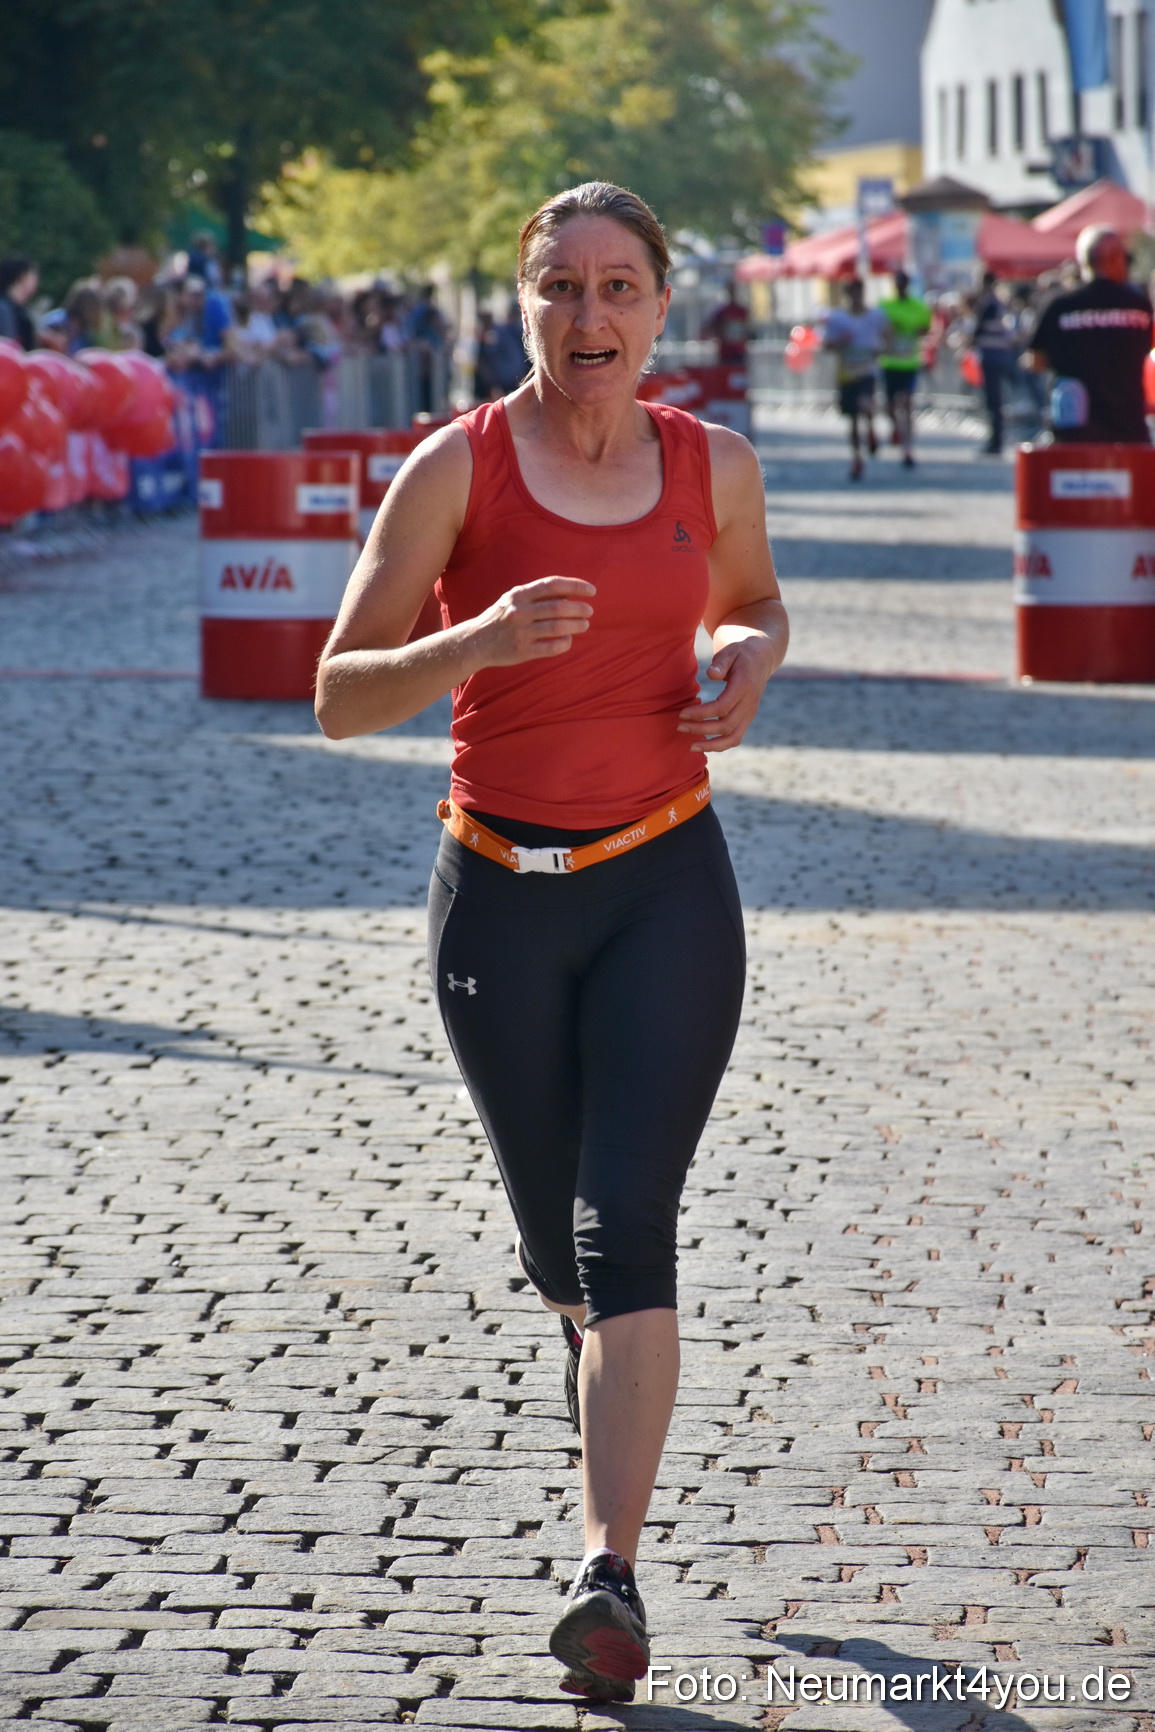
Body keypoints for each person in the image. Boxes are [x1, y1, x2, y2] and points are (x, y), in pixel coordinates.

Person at [314, 180, 787, 1704]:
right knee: (553, 1250)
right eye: (558, 287)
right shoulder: (451, 471)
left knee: (620, 1221)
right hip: (497, 897)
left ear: (662, 305)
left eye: (617, 289)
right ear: (521, 301)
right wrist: (473, 638)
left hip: (665, 880)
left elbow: (755, 604)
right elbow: (338, 693)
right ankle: (597, 1378)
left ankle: (606, 1574)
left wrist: (743, 659)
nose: (587, 317)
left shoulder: (709, 464)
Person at [1028, 224, 1153, 443]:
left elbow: (1036, 361)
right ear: (1116, 258)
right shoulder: (1138, 305)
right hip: (1128, 429)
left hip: (1074, 432)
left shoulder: (1059, 305)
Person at [823, 277, 888, 479]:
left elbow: (889, 335)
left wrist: (883, 349)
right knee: (852, 419)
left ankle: (870, 431)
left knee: (865, 403)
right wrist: (840, 342)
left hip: (867, 370)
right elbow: (827, 345)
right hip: (847, 374)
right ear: (848, 295)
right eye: (853, 293)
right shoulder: (838, 318)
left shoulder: (875, 316)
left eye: (860, 292)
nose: (857, 297)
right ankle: (857, 459)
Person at [879, 268, 932, 467]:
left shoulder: (918, 306)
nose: (901, 287)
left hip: (909, 363)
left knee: (908, 405)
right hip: (890, 363)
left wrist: (914, 331)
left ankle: (908, 450)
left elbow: (926, 328)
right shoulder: (884, 306)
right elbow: (878, 330)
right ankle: (896, 428)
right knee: (890, 407)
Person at [971, 272, 1019, 457]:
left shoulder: (989, 304)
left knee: (993, 400)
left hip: (991, 355)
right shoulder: (999, 303)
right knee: (995, 399)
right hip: (999, 355)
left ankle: (996, 441)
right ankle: (995, 439)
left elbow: (978, 329)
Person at [701, 281, 750, 363]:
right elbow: (709, 326)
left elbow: (747, 328)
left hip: (740, 351)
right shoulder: (721, 311)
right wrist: (719, 333)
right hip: (725, 352)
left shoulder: (742, 311)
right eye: (731, 290)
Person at [0, 255, 38, 351]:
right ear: (23, 276)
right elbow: (7, 349)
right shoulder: (4, 309)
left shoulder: (20, 310)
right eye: (33, 275)